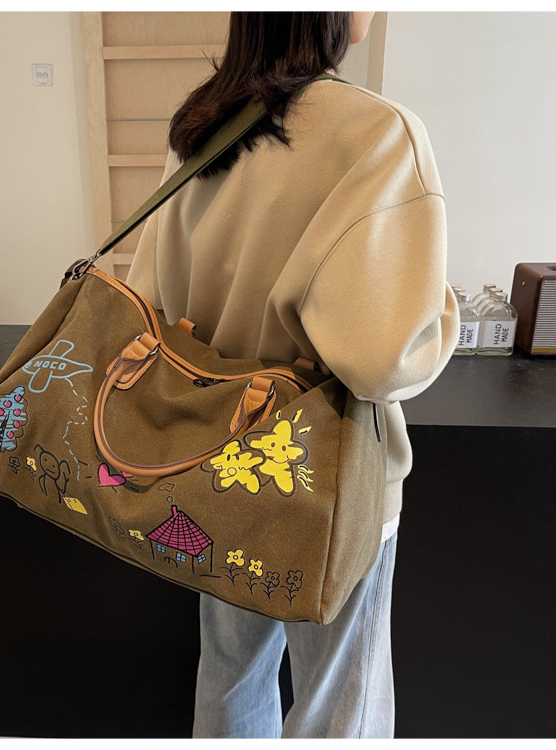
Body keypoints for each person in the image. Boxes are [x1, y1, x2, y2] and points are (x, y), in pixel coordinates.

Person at [125, 11, 459, 739]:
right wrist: (442, 310)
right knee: (340, 699)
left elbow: (149, 298)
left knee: (230, 673)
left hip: (212, 458)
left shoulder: (205, 124)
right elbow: (382, 359)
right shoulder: (379, 134)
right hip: (328, 476)